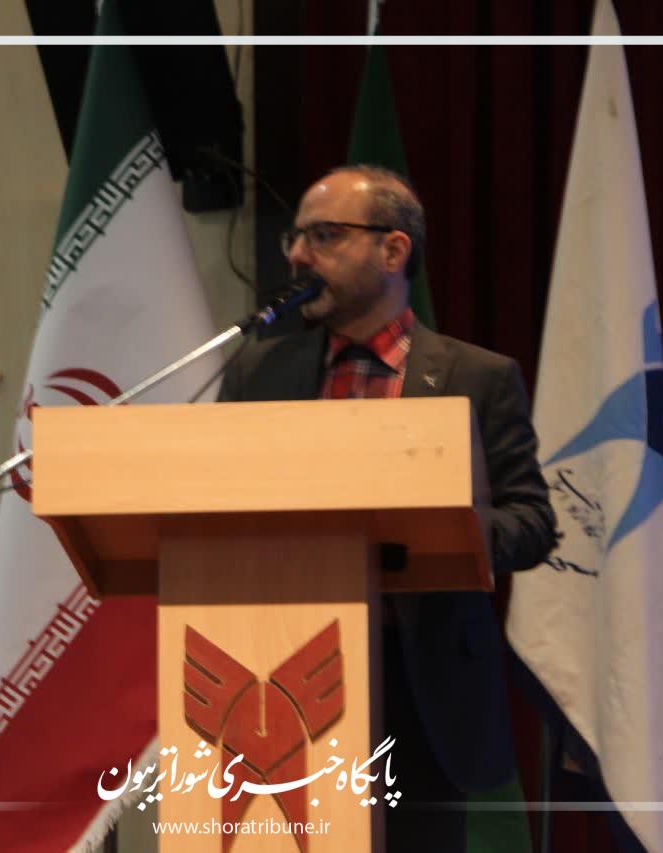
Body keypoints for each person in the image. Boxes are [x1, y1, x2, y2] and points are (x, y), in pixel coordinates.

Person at [218, 165, 557, 850]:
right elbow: (219, 501)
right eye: (295, 237)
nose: (297, 255)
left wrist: (438, 526)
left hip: (418, 681)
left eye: (323, 236)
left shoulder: (476, 377)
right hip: (277, 678)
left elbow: (531, 521)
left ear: (393, 249)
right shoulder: (260, 369)